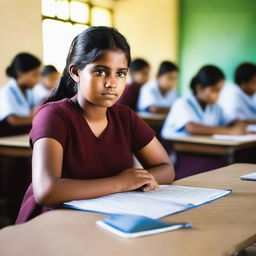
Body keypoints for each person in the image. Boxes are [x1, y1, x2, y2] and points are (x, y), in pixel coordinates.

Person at [16, 26, 175, 224]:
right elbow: (47, 191)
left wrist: (136, 181)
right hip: (52, 224)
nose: (112, 83)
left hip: (106, 219)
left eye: (120, 74)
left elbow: (166, 169)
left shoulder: (125, 117)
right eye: (101, 72)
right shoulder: (54, 116)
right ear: (75, 72)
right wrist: (120, 183)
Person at [161, 65, 246, 138]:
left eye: (219, 91)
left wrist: (237, 124)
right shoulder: (182, 103)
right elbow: (192, 128)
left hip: (202, 148)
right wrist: (230, 131)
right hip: (177, 152)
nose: (218, 95)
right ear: (199, 88)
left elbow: (230, 121)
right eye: (214, 90)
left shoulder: (215, 107)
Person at [0, 53, 41, 128]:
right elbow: (13, 120)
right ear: (20, 74)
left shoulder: (29, 91)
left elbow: (36, 107)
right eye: (35, 75)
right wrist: (40, 119)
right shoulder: (6, 92)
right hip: (7, 136)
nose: (38, 80)